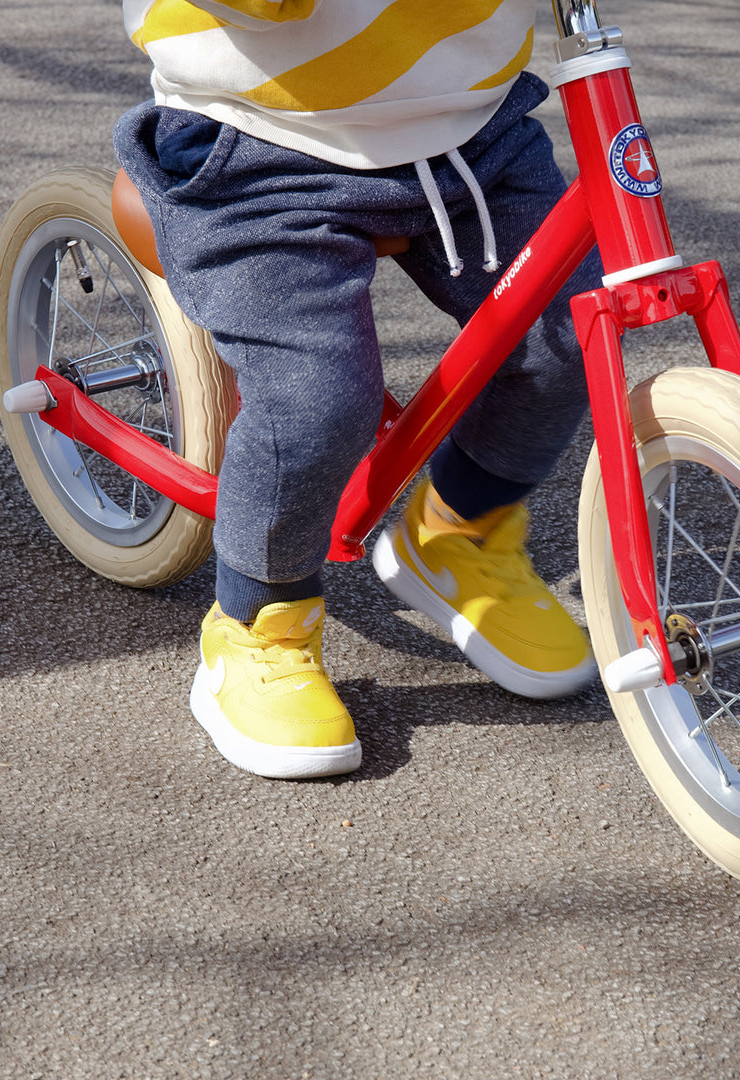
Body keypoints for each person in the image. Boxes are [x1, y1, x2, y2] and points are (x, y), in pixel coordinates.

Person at [113, 0, 602, 780]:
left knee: (573, 332)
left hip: (475, 126)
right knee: (317, 398)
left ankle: (456, 533)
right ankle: (255, 622)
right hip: (261, 143)